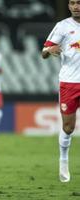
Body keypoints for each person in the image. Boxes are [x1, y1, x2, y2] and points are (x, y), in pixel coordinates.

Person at [42, 0, 80, 183]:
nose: (75, 6)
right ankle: (63, 160)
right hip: (69, 83)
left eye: (79, 3)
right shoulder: (62, 26)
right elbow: (43, 51)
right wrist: (51, 50)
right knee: (68, 127)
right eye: (72, 3)